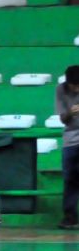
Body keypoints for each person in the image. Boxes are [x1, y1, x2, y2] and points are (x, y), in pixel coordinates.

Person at [56, 65, 79, 230]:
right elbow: (63, 119)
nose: (77, 89)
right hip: (70, 140)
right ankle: (70, 216)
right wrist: (71, 113)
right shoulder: (60, 90)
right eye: (74, 86)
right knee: (70, 178)